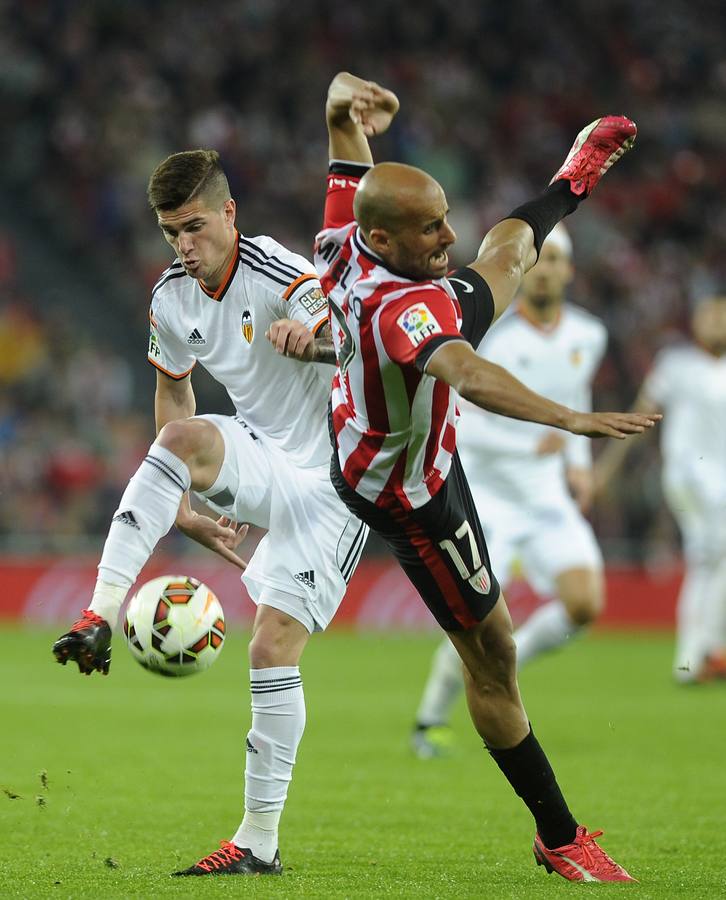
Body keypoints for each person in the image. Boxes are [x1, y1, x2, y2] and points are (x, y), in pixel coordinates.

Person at [294, 71, 659, 883]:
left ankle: (570, 179)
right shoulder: (402, 308)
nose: (447, 235)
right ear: (384, 239)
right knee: (493, 656)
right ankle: (559, 836)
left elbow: (344, 144)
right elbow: (468, 373)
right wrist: (568, 418)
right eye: (430, 228)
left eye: (444, 215)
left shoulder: (343, 240)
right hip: (406, 491)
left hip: (405, 437)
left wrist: (344, 103)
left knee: (509, 251)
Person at [52, 148, 369, 876]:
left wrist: (313, 339)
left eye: (194, 227)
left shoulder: (281, 272)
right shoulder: (170, 298)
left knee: (271, 651)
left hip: (334, 476)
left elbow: (358, 346)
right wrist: (183, 506)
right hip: (259, 454)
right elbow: (174, 390)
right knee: (180, 438)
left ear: (229, 213)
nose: (184, 246)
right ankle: (99, 613)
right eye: (171, 233)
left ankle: (258, 842)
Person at [411, 224, 610, 758]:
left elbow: (575, 395)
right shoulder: (490, 334)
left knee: (585, 604)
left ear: (569, 271)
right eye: (537, 261)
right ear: (524, 269)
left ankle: (507, 662)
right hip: (486, 495)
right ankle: (429, 718)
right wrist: (532, 444)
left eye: (555, 261)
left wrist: (578, 464)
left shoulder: (588, 335)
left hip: (544, 495)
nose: (544, 271)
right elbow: (460, 418)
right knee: (476, 622)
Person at [595, 295, 726, 684]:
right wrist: (607, 469)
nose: (717, 322)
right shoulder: (676, 364)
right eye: (711, 315)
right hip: (690, 479)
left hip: (721, 484)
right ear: (695, 322)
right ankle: (702, 653)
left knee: (709, 561)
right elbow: (641, 415)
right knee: (713, 556)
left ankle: (699, 656)